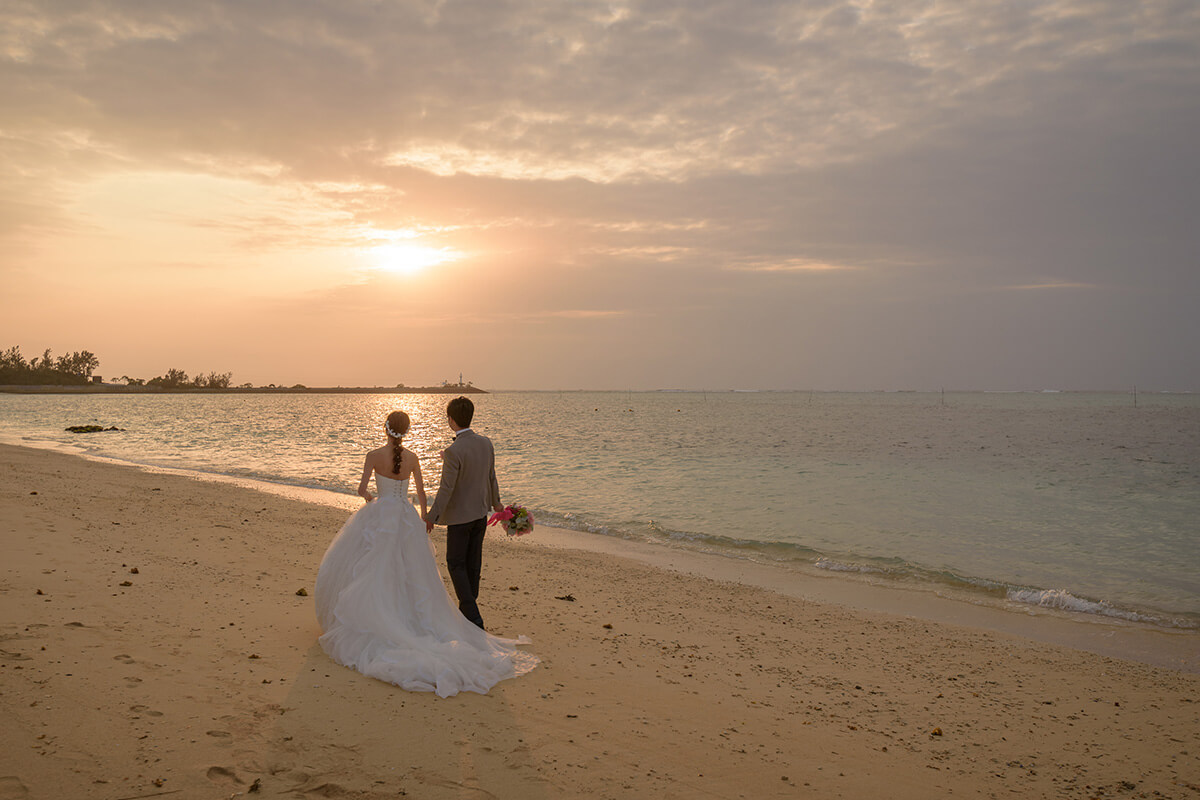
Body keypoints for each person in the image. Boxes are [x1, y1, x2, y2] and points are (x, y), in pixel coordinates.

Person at [315, 410, 537, 697]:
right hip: (405, 517)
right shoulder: (412, 458)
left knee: (372, 567)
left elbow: (361, 489)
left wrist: (372, 501)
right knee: (411, 571)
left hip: (381, 514)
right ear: (406, 432)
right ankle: (415, 617)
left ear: (385, 429)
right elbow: (421, 492)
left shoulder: (372, 454)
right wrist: (423, 516)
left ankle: (381, 614)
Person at [424, 396, 503, 630]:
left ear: (451, 420)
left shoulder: (453, 451)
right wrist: (496, 503)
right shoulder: (486, 443)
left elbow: (446, 489)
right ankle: (467, 613)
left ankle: (473, 617)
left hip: (460, 519)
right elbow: (491, 477)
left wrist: (432, 516)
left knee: (455, 563)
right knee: (473, 563)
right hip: (480, 514)